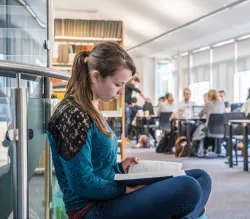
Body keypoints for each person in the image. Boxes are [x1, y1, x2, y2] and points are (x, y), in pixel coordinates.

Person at [46, 42, 211, 219]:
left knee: (201, 178)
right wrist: (125, 189)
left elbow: (98, 165)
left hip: (109, 193)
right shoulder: (74, 114)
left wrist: (120, 167)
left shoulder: (91, 105)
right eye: (118, 84)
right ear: (95, 76)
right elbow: (83, 184)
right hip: (91, 208)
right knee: (189, 187)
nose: (122, 92)